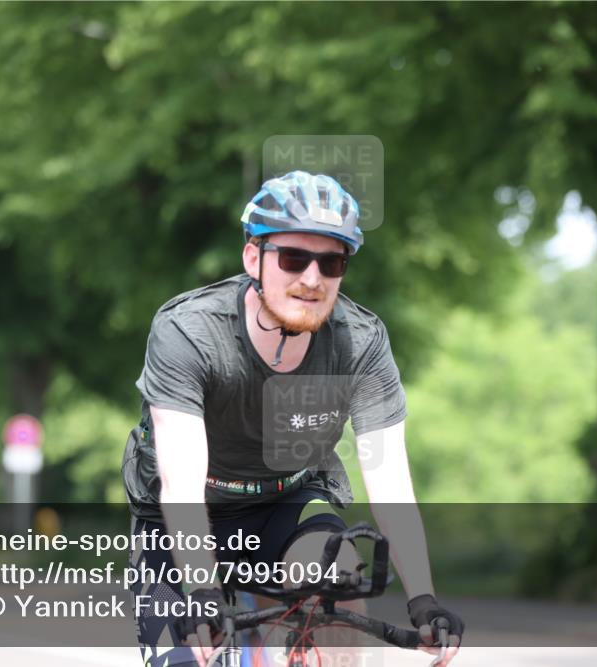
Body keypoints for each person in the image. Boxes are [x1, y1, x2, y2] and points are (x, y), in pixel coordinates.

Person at [122, 171, 463, 667]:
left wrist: (423, 599)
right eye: (293, 258)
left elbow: (390, 478)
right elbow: (182, 483)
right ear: (253, 258)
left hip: (288, 499)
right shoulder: (189, 331)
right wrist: (202, 588)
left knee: (338, 580)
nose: (312, 278)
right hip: (183, 512)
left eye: (331, 262)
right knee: (186, 658)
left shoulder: (360, 343)